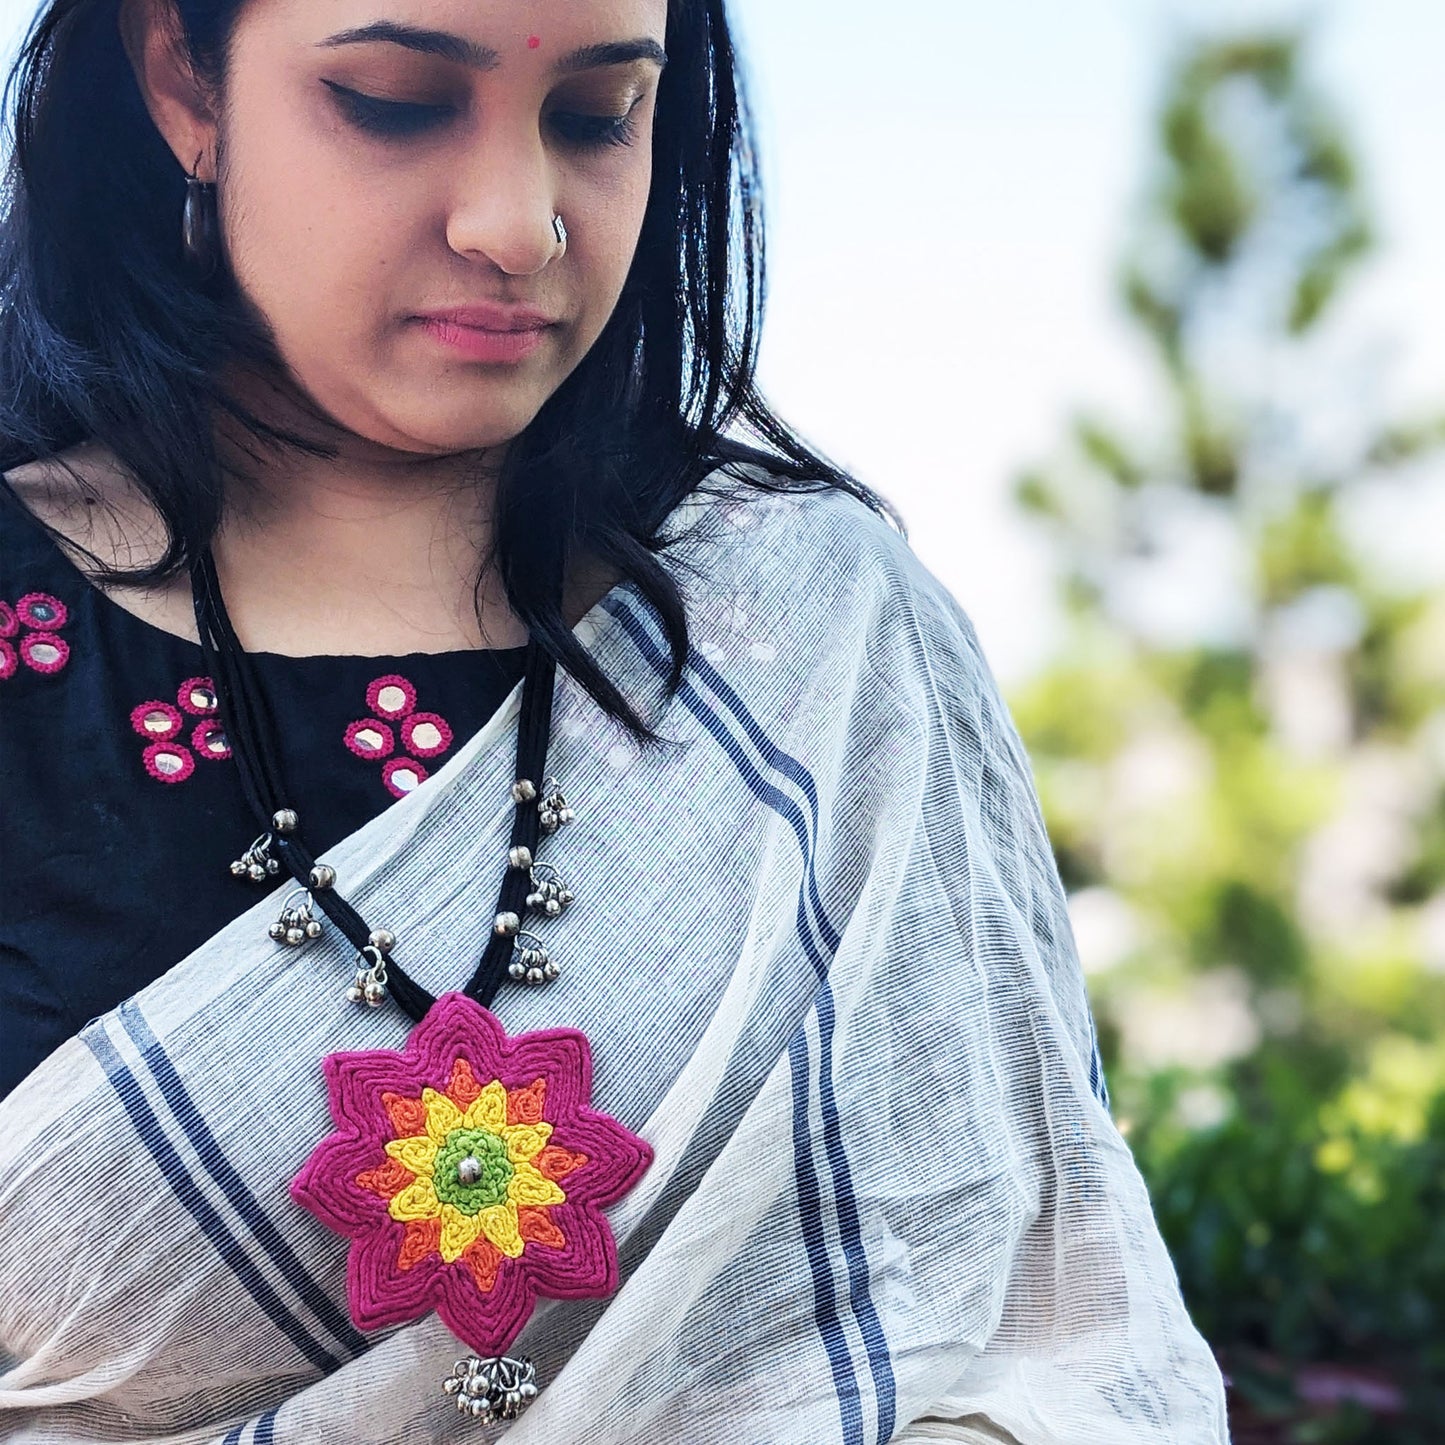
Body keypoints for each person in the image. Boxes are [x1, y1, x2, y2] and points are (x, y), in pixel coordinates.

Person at [0, 0, 1231, 1440]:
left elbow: (1037, 1316)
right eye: (396, 100)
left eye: (596, 117)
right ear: (179, 77)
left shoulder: (810, 636)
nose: (518, 224)